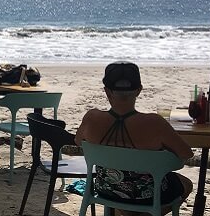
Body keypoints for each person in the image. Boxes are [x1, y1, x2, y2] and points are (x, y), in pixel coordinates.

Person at [75, 62, 193, 214]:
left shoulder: (91, 118)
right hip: (148, 196)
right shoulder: (154, 123)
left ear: (107, 92)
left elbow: (78, 142)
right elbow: (186, 154)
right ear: (139, 90)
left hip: (106, 191)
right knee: (185, 183)